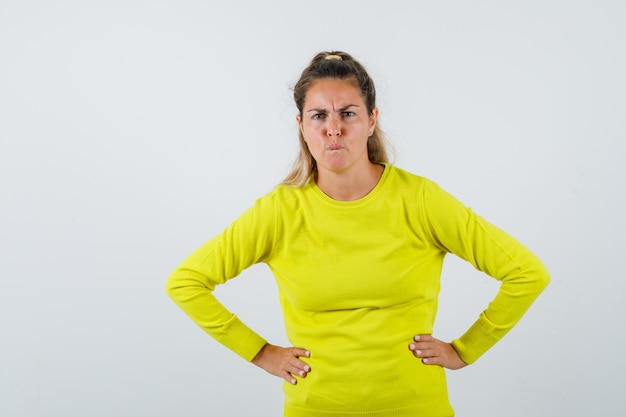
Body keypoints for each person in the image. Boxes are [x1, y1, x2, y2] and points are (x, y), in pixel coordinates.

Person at [166, 51, 550, 417]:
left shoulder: (420, 200)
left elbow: (526, 273)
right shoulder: (279, 212)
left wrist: (465, 350)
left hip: (416, 407)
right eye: (319, 115)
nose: (334, 128)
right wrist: (261, 353)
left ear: (371, 120)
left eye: (348, 113)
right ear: (301, 126)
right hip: (315, 408)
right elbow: (186, 282)